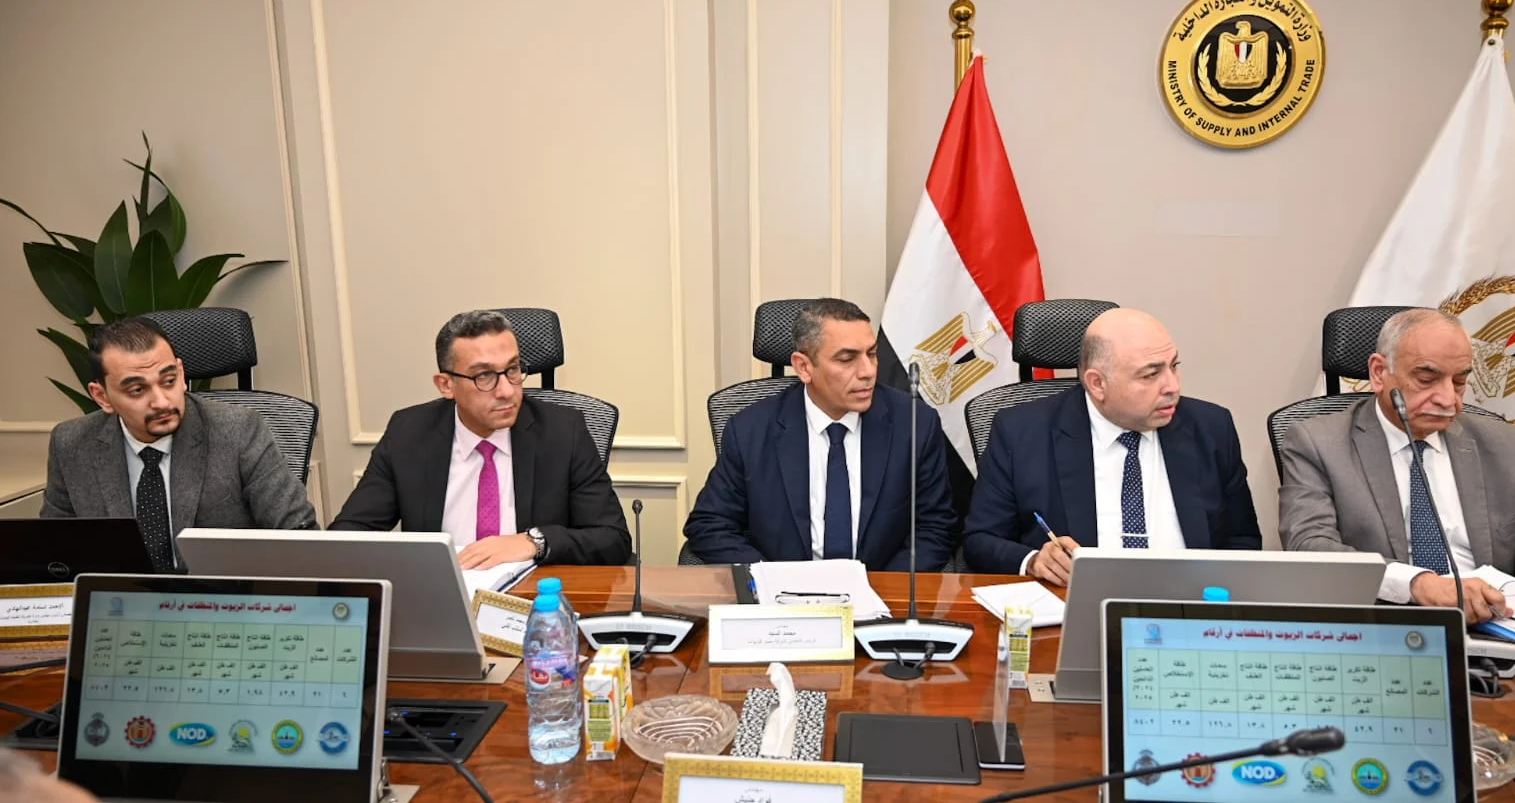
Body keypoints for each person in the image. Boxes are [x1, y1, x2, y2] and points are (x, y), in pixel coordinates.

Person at [1279, 308, 1515, 622]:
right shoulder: (1318, 443)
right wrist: (1418, 583)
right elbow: (1311, 546)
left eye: (1459, 382)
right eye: (1426, 379)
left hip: (1492, 619)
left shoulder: (1502, 444)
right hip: (1383, 621)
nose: (1448, 400)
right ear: (1379, 373)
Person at [963, 308, 1260, 584]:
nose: (1173, 386)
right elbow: (980, 540)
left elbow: (1242, 540)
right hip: (1073, 603)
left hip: (1189, 600)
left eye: (1174, 366)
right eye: (1151, 374)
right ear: (1097, 384)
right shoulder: (1022, 433)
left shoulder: (1211, 428)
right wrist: (1033, 561)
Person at [330, 310, 629, 567]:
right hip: (441, 595)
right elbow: (350, 533)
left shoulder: (563, 431)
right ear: (446, 385)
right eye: (484, 376)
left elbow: (612, 538)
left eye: (513, 370)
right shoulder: (409, 433)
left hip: (532, 597)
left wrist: (534, 542)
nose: (507, 391)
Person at [682, 298, 955, 569]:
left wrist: (883, 588)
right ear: (804, 367)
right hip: (782, 589)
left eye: (871, 354)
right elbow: (710, 525)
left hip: (880, 588)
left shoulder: (915, 423)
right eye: (847, 359)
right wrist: (770, 579)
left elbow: (935, 527)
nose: (868, 371)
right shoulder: (750, 430)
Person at [41, 317, 317, 570]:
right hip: (120, 601)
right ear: (102, 397)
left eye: (169, 380)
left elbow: (299, 536)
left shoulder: (238, 430)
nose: (161, 402)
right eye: (137, 390)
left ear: (182, 375)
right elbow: (55, 552)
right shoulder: (72, 443)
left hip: (221, 599)